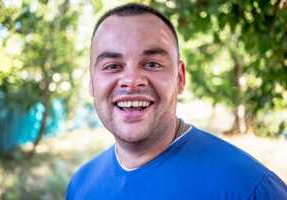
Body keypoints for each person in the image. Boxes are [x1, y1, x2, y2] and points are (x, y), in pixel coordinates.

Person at [66, 3, 287, 200]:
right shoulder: (80, 185)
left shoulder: (250, 189)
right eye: (112, 66)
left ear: (180, 78)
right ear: (92, 83)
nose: (131, 81)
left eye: (152, 64)